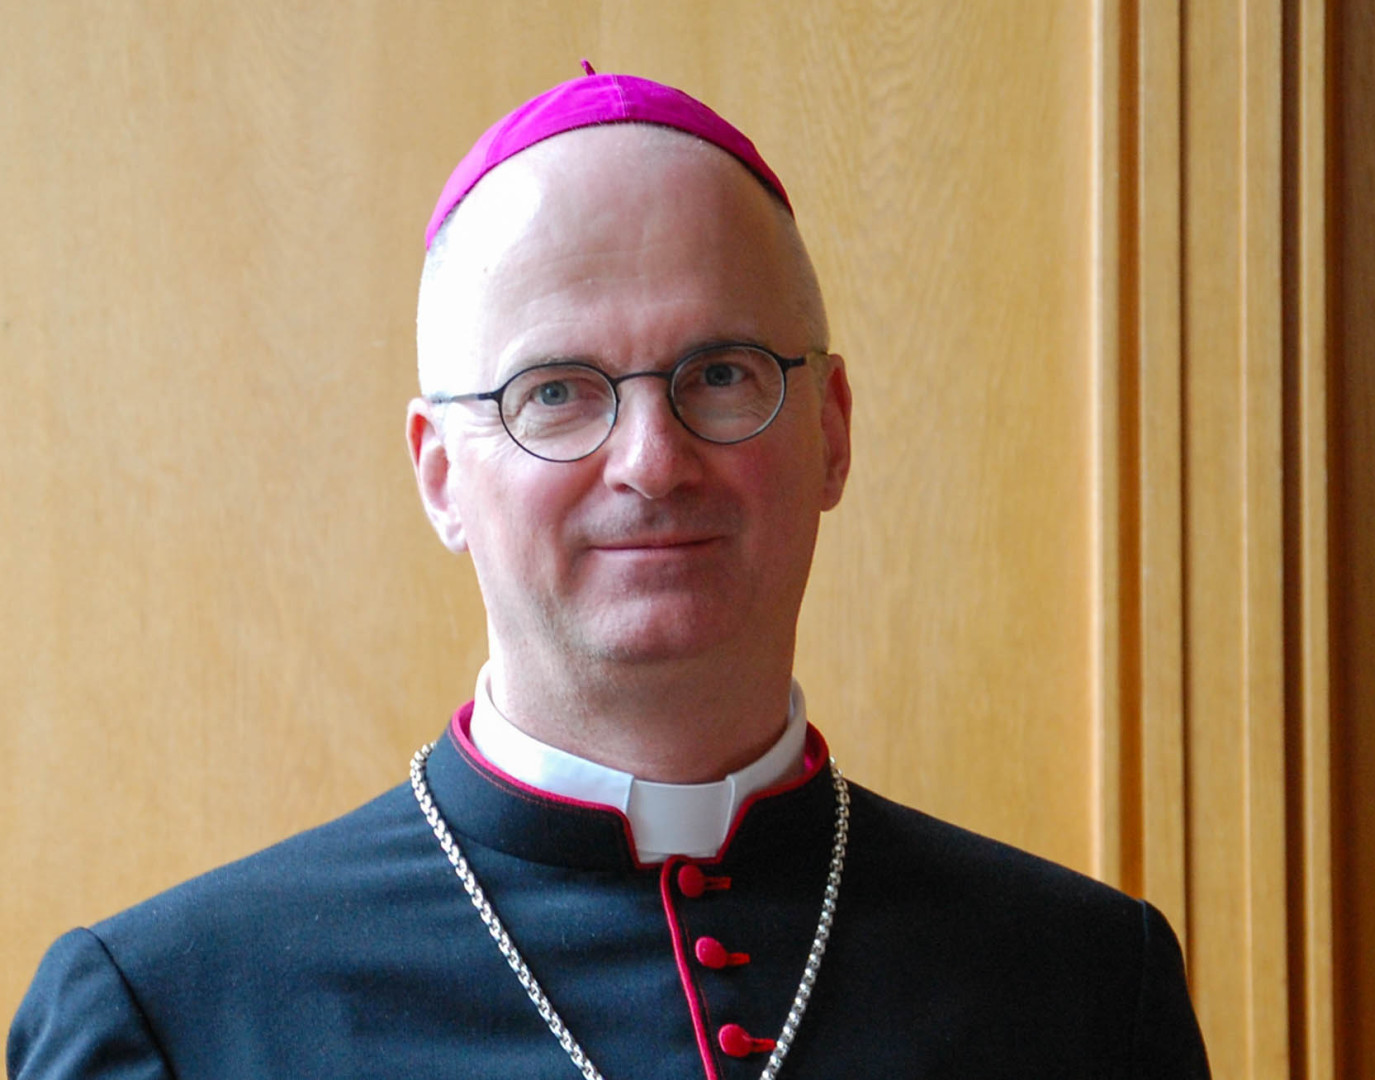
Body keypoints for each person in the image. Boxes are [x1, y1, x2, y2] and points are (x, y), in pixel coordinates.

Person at [7, 68, 1210, 1080]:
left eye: (724, 373)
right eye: (557, 393)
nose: (652, 462)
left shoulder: (1091, 995)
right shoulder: (173, 1022)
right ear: (439, 475)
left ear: (832, 430)